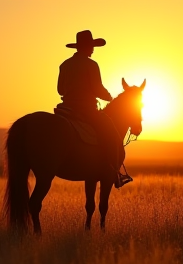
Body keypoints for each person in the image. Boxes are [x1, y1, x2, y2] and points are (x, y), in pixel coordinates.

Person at [56, 30, 132, 188]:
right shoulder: (91, 65)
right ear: (87, 47)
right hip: (85, 109)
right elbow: (98, 89)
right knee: (112, 132)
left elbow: (60, 90)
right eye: (91, 46)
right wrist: (109, 97)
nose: (93, 49)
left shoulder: (64, 65)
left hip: (65, 109)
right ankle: (114, 171)